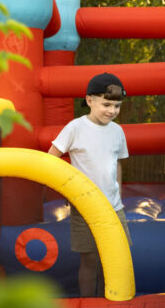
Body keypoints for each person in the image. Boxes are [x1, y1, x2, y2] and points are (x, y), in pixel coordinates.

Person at [48, 72, 130, 296]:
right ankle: (89, 304)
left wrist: (119, 193)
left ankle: (112, 300)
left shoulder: (117, 131)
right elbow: (50, 159)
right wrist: (67, 187)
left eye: (117, 106)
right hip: (85, 207)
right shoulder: (75, 128)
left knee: (115, 258)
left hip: (114, 206)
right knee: (90, 258)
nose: (112, 111)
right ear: (89, 100)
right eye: (106, 104)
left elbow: (118, 164)